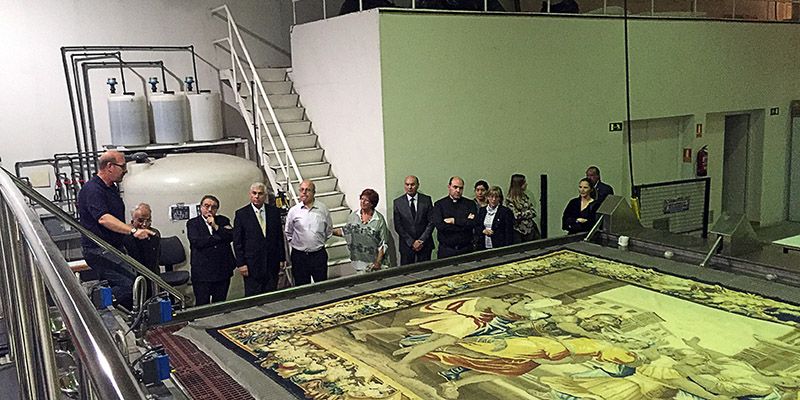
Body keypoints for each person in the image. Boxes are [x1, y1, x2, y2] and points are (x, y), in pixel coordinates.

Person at [78, 151, 154, 309]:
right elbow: (103, 218)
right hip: (98, 249)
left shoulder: (111, 188)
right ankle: (91, 305)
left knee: (130, 281)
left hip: (113, 247)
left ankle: (114, 311)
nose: (125, 170)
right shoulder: (93, 189)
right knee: (129, 284)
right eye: (123, 166)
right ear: (110, 167)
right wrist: (133, 231)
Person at [233, 183, 286, 296]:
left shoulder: (273, 212)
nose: (257, 196)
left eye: (260, 193)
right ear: (250, 194)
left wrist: (282, 258)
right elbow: (238, 242)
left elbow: (279, 237)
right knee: (253, 296)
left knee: (271, 294)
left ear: (265, 195)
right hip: (251, 265)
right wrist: (241, 264)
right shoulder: (241, 214)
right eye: (254, 193)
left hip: (272, 263)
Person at [187, 195, 236, 305]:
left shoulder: (223, 220)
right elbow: (197, 242)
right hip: (202, 271)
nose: (209, 209)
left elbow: (231, 236)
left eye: (213, 207)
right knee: (202, 303)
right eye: (206, 206)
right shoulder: (193, 223)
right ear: (200, 207)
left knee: (220, 303)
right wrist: (219, 237)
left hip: (222, 269)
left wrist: (215, 226)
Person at [285, 180, 333, 285]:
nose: (304, 192)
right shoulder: (293, 211)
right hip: (299, 257)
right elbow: (288, 232)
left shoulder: (323, 209)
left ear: (314, 192)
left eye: (308, 190)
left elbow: (328, 231)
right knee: (302, 288)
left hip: (318, 256)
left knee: (322, 287)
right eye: (302, 190)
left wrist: (315, 242)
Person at [333, 189, 390, 274]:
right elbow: (345, 232)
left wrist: (378, 262)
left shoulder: (379, 219)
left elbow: (383, 244)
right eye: (362, 199)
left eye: (366, 200)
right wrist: (330, 231)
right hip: (359, 263)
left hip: (376, 264)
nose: (362, 202)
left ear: (372, 203)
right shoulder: (353, 216)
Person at [431, 176, 478, 258]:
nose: (458, 190)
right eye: (455, 187)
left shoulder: (470, 204)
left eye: (461, 188)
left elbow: (472, 224)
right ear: (449, 187)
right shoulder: (439, 205)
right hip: (446, 250)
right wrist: (463, 223)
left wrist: (454, 221)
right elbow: (440, 226)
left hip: (466, 250)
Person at [393, 176, 434, 265]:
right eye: (407, 184)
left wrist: (421, 240)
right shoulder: (398, 202)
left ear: (418, 185)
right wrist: (411, 242)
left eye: (412, 184)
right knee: (407, 271)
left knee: (425, 270)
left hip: (424, 245)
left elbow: (431, 222)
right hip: (406, 246)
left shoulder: (426, 200)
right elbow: (398, 226)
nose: (410, 187)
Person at [122, 203, 160, 275]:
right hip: (132, 274)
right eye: (140, 220)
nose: (144, 224)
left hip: (152, 273)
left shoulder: (154, 234)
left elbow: (155, 261)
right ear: (133, 220)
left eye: (148, 220)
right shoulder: (125, 235)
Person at [505, 174, 540, 243]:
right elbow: (516, 215)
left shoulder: (525, 197)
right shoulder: (510, 200)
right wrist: (528, 213)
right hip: (518, 231)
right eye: (524, 182)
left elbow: (533, 212)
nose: (526, 184)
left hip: (530, 229)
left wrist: (525, 214)